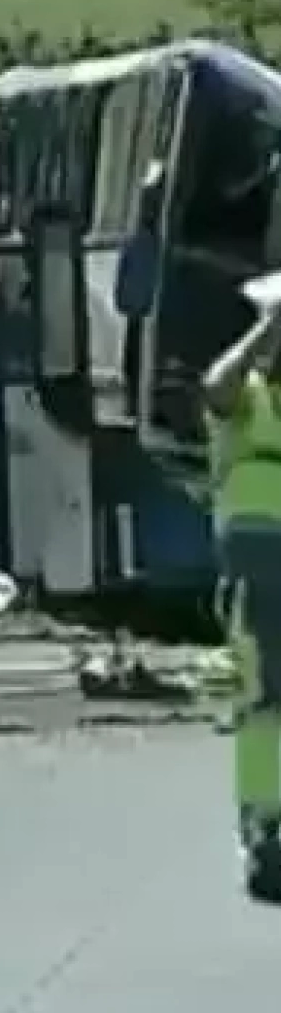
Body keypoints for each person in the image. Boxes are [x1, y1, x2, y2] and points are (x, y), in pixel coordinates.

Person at [203, 297, 281, 900]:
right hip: (260, 567)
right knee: (264, 701)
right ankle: (268, 827)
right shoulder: (245, 398)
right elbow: (216, 385)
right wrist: (269, 326)